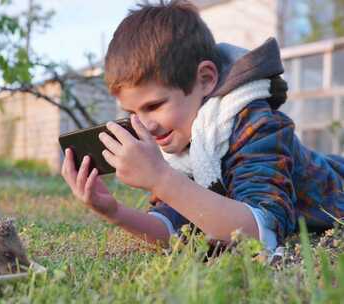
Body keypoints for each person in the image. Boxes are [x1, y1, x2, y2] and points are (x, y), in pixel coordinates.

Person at [60, 0, 344, 251]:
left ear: (206, 79)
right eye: (132, 112)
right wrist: (114, 212)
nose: (144, 125)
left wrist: (161, 178)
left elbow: (261, 234)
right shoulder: (181, 143)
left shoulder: (255, 124)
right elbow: (174, 227)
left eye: (155, 105)